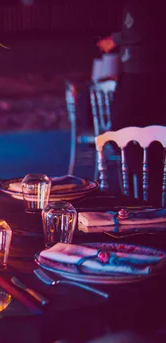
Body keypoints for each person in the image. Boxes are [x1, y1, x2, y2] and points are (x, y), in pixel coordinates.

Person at [97, 0, 166, 205]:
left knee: (128, 129)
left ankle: (146, 193)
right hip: (141, 72)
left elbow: (139, 31)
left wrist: (115, 40)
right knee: (136, 132)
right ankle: (145, 190)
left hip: (143, 74)